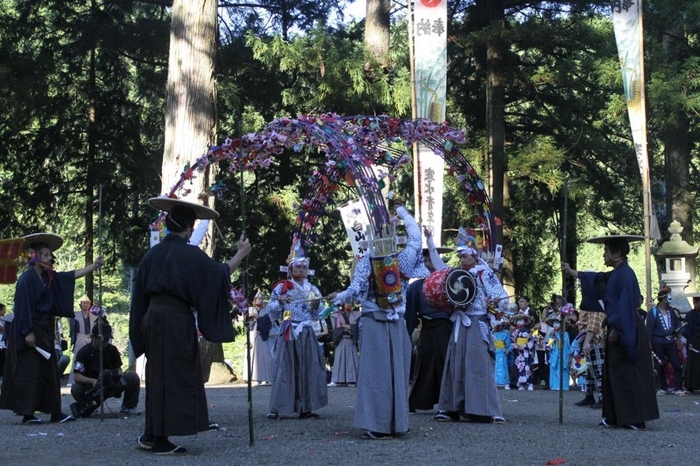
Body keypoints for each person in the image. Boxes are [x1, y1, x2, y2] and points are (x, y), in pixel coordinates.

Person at [130, 197, 252, 454]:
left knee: (157, 374)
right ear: (187, 228)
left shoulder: (152, 254)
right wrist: (240, 253)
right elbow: (219, 274)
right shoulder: (189, 254)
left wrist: (138, 332)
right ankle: (160, 439)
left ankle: (151, 433)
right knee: (174, 374)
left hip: (151, 318)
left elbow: (138, 296)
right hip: (175, 319)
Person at [330, 204, 429, 439]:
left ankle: (377, 424)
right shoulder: (403, 260)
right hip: (396, 323)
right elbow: (415, 237)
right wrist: (405, 214)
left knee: (375, 373)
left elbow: (355, 290)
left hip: (374, 320)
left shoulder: (368, 260)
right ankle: (397, 424)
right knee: (398, 372)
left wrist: (340, 297)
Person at [0, 232, 103, 424]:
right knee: (30, 371)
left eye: (49, 255)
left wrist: (93, 266)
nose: (49, 258)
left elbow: (70, 276)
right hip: (28, 330)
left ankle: (55, 411)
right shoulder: (27, 279)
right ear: (35, 256)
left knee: (50, 371)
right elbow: (23, 308)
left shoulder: (49, 278)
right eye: (45, 254)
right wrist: (27, 332)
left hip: (44, 329)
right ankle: (28, 413)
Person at [563, 234, 659, 430]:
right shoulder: (616, 273)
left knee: (627, 372)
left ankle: (633, 417)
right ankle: (614, 416)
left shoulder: (626, 274)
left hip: (626, 326)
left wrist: (617, 328)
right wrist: (572, 272)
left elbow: (625, 305)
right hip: (619, 325)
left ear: (617, 253)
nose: (604, 255)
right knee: (613, 372)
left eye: (606, 251)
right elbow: (596, 278)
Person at [427, 227, 509, 423]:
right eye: (460, 256)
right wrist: (430, 243)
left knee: (479, 365)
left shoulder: (484, 273)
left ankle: (487, 409)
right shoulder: (457, 273)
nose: (461, 259)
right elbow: (439, 267)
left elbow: (502, 297)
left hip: (476, 323)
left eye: (464, 256)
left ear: (473, 254)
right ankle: (451, 408)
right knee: (455, 364)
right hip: (460, 322)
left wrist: (496, 302)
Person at [266, 243, 327, 420]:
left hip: (307, 331)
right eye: (298, 266)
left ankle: (306, 407)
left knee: (309, 368)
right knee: (284, 367)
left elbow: (319, 313)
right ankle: (277, 407)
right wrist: (281, 301)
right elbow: (271, 310)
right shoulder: (282, 287)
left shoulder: (313, 289)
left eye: (304, 267)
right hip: (289, 329)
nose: (301, 269)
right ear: (291, 268)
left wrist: (316, 304)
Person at [404, 241, 452, 413]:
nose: (428, 264)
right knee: (422, 366)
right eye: (425, 262)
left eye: (431, 260)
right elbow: (409, 313)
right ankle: (415, 402)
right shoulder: (416, 286)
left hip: (447, 329)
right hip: (427, 328)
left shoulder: (450, 283)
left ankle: (449, 404)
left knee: (447, 365)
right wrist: (407, 336)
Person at [70, 321, 140, 418]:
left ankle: (128, 406)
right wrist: (93, 381)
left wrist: (116, 377)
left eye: (107, 340)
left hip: (109, 382)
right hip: (92, 385)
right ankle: (90, 405)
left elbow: (118, 368)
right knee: (76, 388)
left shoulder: (112, 349)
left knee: (132, 377)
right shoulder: (83, 352)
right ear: (93, 338)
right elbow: (77, 376)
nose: (105, 342)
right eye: (102, 340)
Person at [646, 286, 684, 395]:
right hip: (658, 341)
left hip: (671, 341)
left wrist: (679, 338)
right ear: (663, 299)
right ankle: (662, 387)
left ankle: (678, 388)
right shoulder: (652, 313)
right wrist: (649, 343)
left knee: (676, 364)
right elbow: (649, 329)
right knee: (660, 364)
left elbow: (677, 326)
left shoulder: (671, 312)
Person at [242, 292, 274, 386]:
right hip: (253, 335)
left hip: (262, 335)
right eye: (257, 298)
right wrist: (252, 318)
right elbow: (246, 322)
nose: (259, 300)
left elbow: (268, 322)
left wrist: (259, 319)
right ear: (254, 300)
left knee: (265, 357)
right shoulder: (250, 309)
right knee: (252, 357)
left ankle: (266, 378)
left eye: (261, 298)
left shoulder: (266, 310)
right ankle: (255, 378)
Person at [328, 299, 361, 387]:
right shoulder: (337, 315)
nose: (348, 305)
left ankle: (352, 380)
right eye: (347, 303)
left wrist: (343, 326)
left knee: (351, 359)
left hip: (350, 339)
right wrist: (348, 326)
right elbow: (337, 328)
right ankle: (336, 379)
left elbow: (354, 327)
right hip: (341, 340)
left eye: (350, 303)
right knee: (339, 359)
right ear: (343, 304)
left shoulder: (356, 314)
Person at [67, 295, 99, 386]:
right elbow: (73, 328)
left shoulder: (94, 316)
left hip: (90, 338)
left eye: (87, 303)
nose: (85, 305)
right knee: (78, 357)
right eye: (84, 303)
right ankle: (73, 379)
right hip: (80, 337)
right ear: (80, 304)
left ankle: (91, 378)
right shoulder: (75, 315)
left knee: (92, 357)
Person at [510, 312, 536, 391]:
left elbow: (533, 340)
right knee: (518, 366)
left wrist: (525, 346)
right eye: (518, 321)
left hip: (526, 352)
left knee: (527, 366)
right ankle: (520, 384)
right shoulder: (515, 331)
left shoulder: (530, 331)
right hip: (518, 352)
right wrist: (516, 346)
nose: (519, 322)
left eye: (521, 320)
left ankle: (530, 383)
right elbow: (512, 340)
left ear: (525, 321)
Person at [546, 313, 571, 391]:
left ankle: (563, 386)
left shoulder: (565, 334)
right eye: (554, 323)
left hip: (562, 355)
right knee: (554, 369)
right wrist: (549, 346)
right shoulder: (552, 334)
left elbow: (565, 346)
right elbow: (550, 345)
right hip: (554, 354)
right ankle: (554, 385)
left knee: (561, 370)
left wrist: (557, 338)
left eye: (557, 323)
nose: (555, 325)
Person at [682, 293, 700, 393]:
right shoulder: (690, 315)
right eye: (694, 302)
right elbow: (687, 329)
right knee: (693, 364)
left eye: (697, 302)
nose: (695, 304)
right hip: (694, 340)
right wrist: (688, 341)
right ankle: (691, 385)